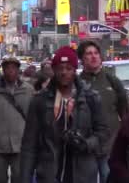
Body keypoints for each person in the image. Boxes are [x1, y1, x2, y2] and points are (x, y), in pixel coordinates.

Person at [20, 46, 109, 183]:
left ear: (74, 70)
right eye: (60, 68)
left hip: (83, 173)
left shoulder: (90, 97)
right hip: (50, 173)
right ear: (54, 71)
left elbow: (103, 133)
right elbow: (29, 145)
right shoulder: (40, 101)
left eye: (68, 68)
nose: (64, 72)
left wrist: (86, 143)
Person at [77, 40, 129, 182]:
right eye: (89, 54)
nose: (93, 56)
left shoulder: (112, 81)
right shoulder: (77, 84)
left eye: (96, 53)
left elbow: (125, 112)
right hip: (87, 147)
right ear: (82, 59)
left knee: (109, 177)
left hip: (110, 145)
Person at [0, 57, 35, 183]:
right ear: (3, 70)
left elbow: (34, 115)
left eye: (13, 68)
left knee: (20, 178)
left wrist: (29, 136)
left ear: (18, 70)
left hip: (21, 144)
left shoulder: (28, 90)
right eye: (7, 68)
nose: (10, 71)